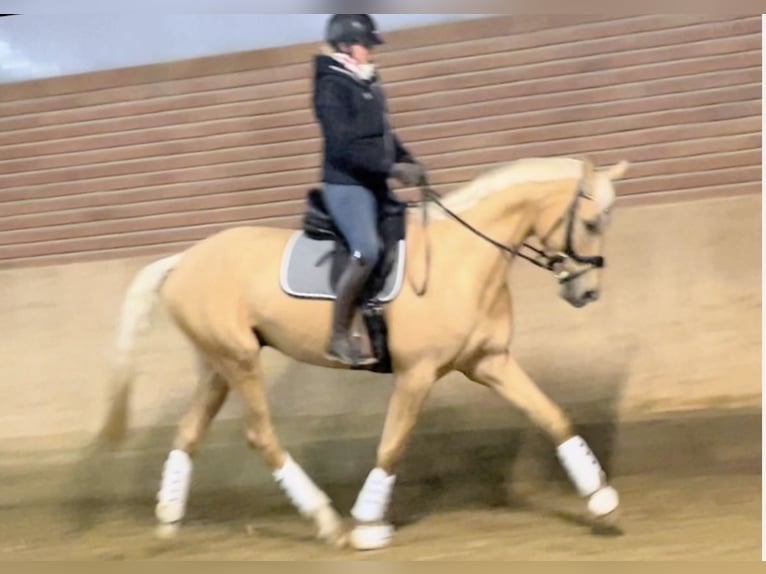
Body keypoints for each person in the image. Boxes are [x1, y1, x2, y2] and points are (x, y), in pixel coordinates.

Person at [312, 13, 426, 367]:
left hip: (373, 180)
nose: (372, 53)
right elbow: (343, 146)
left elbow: (383, 135)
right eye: (367, 45)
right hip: (347, 184)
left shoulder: (367, 82)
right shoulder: (332, 86)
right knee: (367, 250)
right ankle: (339, 334)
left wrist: (410, 161)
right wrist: (390, 169)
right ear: (347, 45)